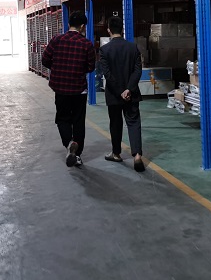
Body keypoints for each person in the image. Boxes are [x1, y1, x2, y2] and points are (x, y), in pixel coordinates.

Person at [41, 10, 96, 168]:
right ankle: (77, 155)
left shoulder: (56, 40)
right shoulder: (86, 44)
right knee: (78, 121)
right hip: (79, 90)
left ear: (69, 24)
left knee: (62, 118)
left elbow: (45, 60)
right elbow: (91, 67)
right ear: (82, 26)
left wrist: (57, 68)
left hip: (61, 88)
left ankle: (69, 143)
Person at [99, 16, 145, 173]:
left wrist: (120, 91)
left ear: (109, 30)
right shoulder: (133, 48)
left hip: (114, 95)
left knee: (115, 123)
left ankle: (116, 153)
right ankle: (137, 155)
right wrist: (128, 89)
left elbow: (107, 74)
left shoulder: (104, 50)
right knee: (134, 122)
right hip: (131, 94)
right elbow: (137, 71)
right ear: (122, 30)